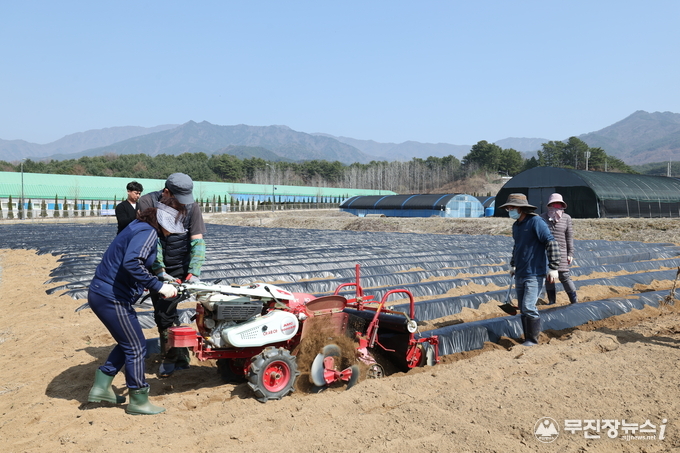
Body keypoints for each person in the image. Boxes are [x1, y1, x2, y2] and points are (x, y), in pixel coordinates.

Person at [87, 197, 187, 415]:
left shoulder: (139, 226)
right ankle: (138, 400)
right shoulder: (148, 232)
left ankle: (102, 386)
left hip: (103, 293)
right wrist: (158, 286)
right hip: (111, 297)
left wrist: (159, 277)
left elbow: (134, 262)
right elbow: (132, 262)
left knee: (128, 342)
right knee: (136, 346)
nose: (171, 233)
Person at [137, 173, 207, 377]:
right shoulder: (147, 202)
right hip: (156, 265)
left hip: (180, 267)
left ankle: (172, 356)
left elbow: (197, 240)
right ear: (167, 192)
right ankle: (176, 355)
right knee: (163, 311)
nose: (183, 204)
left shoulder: (192, 207)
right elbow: (152, 241)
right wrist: (160, 271)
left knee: (166, 311)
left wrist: (194, 271)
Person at [500, 193, 561, 346]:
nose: (509, 210)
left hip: (534, 273)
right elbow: (517, 247)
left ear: (521, 208)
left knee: (528, 306)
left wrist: (553, 266)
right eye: (508, 208)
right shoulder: (516, 226)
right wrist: (513, 264)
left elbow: (551, 242)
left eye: (512, 207)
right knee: (522, 308)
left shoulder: (535, 222)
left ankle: (532, 340)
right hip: (520, 272)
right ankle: (527, 338)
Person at [540, 193, 578, 305]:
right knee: (549, 277)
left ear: (562, 205)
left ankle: (574, 301)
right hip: (546, 252)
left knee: (564, 276)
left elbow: (569, 237)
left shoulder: (566, 218)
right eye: (553, 204)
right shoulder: (542, 218)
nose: (556, 206)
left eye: (558, 204)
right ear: (549, 205)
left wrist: (570, 253)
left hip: (561, 251)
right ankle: (552, 301)